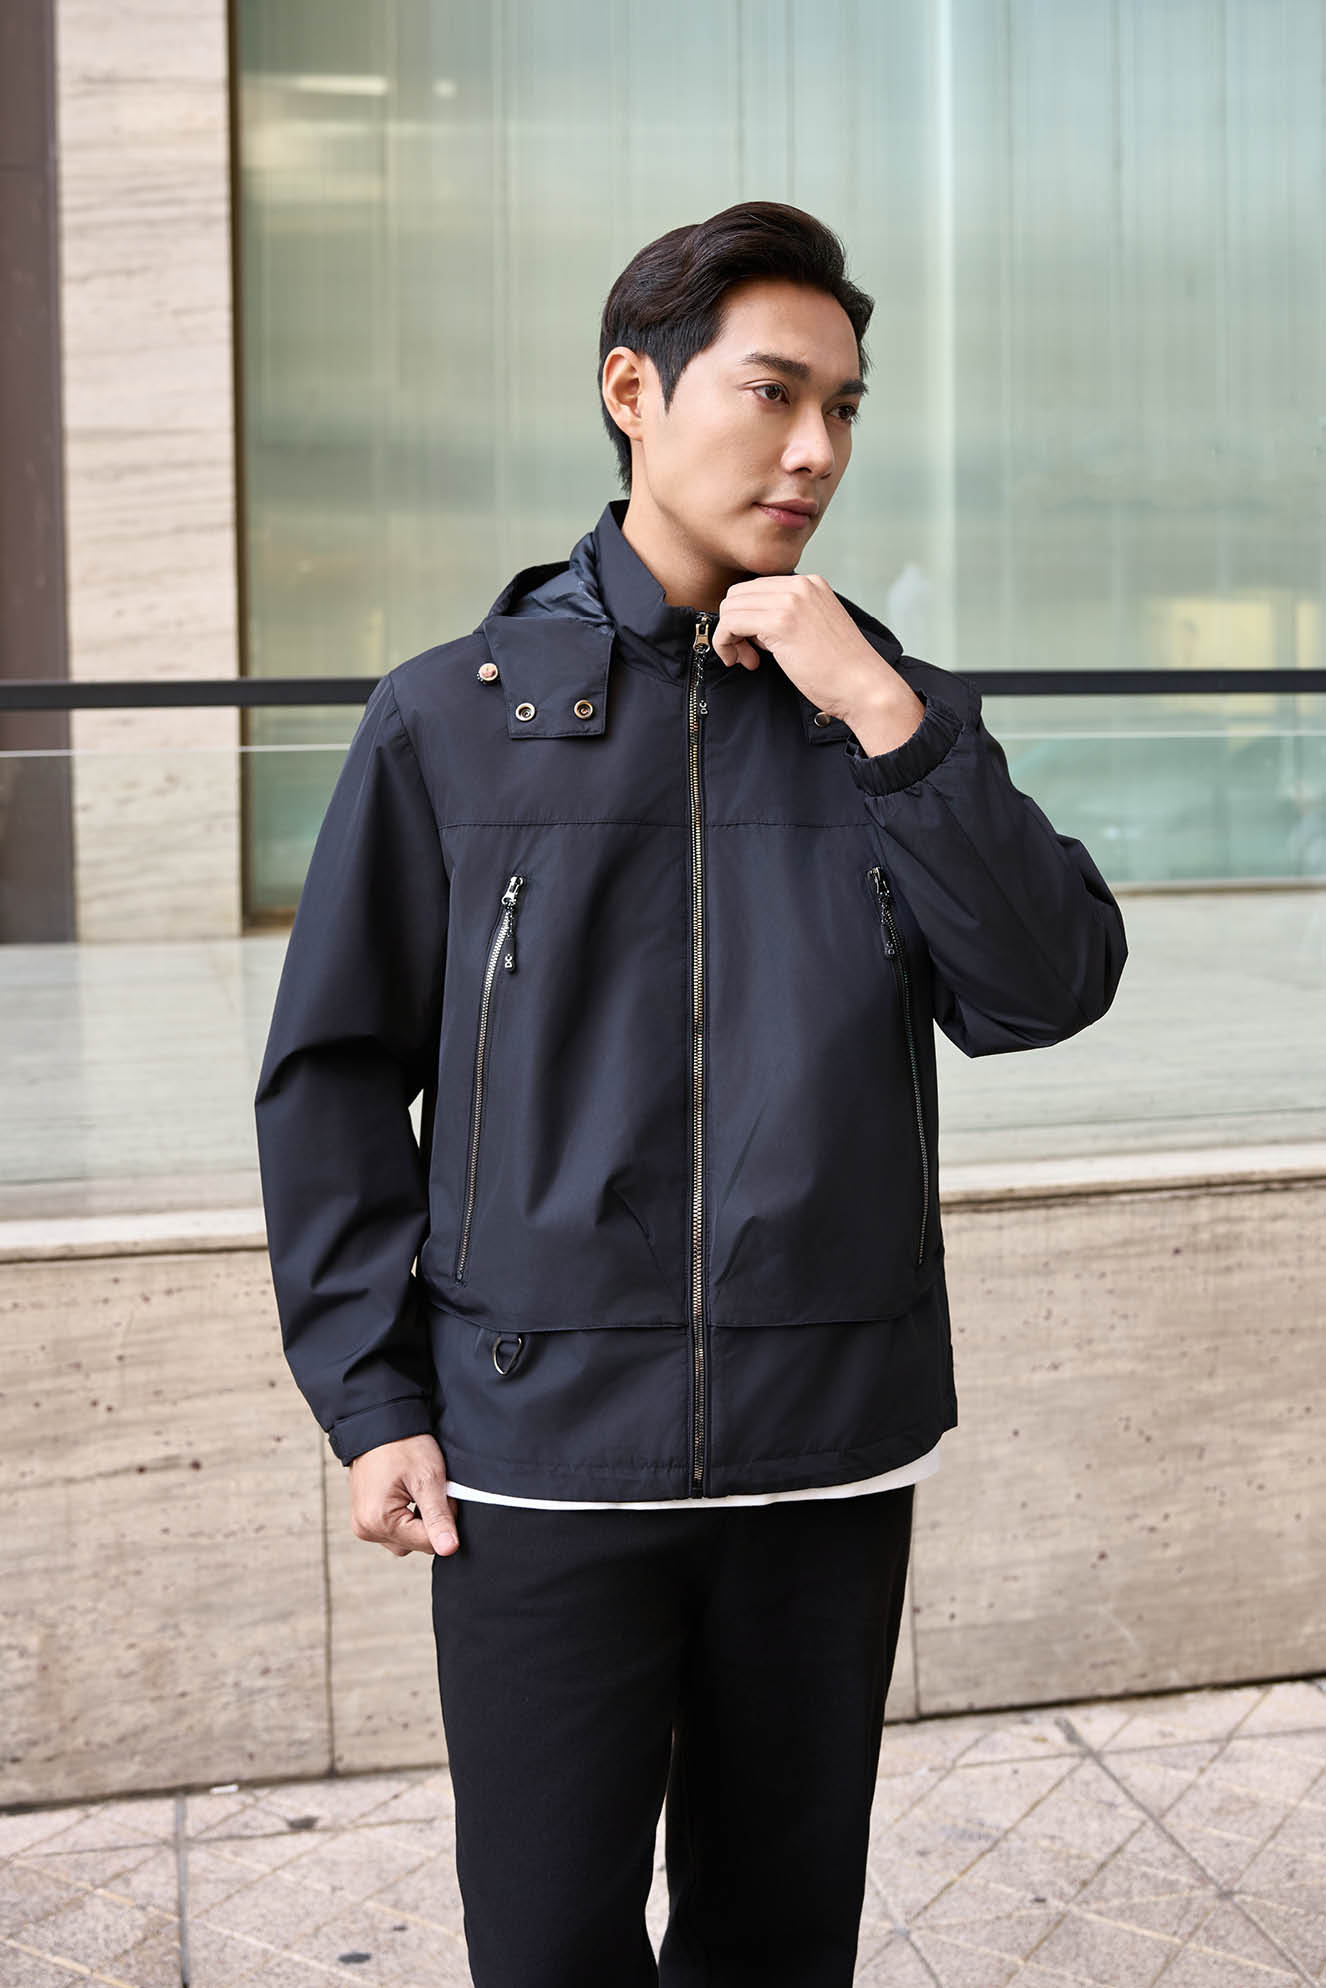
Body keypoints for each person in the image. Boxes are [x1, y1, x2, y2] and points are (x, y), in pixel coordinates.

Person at [254, 200, 1128, 1987]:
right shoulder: (451, 720)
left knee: (778, 1943)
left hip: (824, 1444)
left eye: (846, 409)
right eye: (771, 393)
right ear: (631, 392)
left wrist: (877, 706)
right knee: (548, 1944)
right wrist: (371, 1395)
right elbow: (334, 1078)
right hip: (539, 1451)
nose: (815, 451)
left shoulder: (880, 716)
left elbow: (1045, 988)